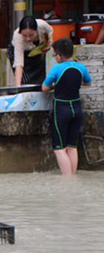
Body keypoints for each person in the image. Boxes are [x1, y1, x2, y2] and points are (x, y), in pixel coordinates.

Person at [42, 38, 92, 175]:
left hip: (61, 110)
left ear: (58, 55)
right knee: (72, 146)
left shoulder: (57, 68)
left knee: (59, 148)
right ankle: (73, 179)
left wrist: (55, 85)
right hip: (76, 108)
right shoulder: (81, 67)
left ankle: (67, 181)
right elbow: (88, 83)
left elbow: (44, 87)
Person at [8, 16, 53, 86]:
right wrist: (18, 87)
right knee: (25, 80)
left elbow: (50, 31)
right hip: (20, 52)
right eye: (24, 35)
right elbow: (19, 64)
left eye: (31, 35)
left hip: (36, 50)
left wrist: (49, 44)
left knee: (40, 79)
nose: (28, 38)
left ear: (36, 30)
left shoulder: (42, 25)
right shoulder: (18, 37)